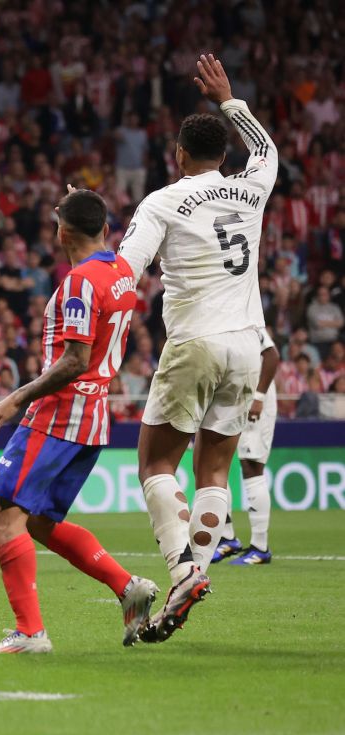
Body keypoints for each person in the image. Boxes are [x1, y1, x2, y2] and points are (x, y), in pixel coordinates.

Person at [118, 55, 278, 643]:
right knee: (215, 468)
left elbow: (125, 271)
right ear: (225, 155)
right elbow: (268, 151)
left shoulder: (161, 202)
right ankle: (197, 577)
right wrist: (229, 98)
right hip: (247, 345)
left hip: (195, 342)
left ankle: (183, 570)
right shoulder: (252, 188)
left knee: (156, 462)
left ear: (179, 155)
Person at [0, 188, 158, 654]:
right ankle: (127, 586)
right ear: (102, 227)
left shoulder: (80, 282)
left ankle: (30, 633)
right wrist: (82, 204)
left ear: (62, 231)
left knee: (4, 514)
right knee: (37, 522)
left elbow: (75, 359)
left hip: (59, 413)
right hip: (93, 417)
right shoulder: (120, 271)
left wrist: (15, 398)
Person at [214, 327, 280, 566]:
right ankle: (227, 538)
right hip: (230, 395)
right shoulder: (219, 319)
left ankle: (260, 548)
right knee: (216, 463)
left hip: (254, 398)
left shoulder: (248, 318)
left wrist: (259, 397)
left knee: (251, 466)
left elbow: (272, 356)